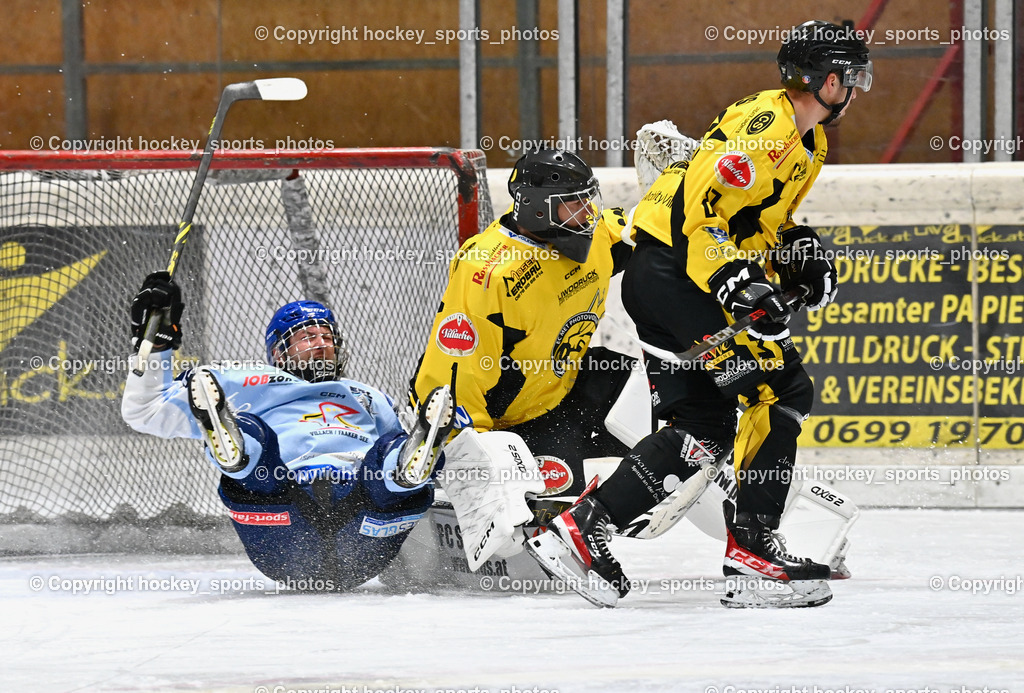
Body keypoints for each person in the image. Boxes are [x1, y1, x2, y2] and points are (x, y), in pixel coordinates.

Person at [527, 20, 871, 608]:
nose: (857, 89)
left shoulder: (806, 142)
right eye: (850, 77)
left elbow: (752, 222)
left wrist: (796, 253)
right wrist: (737, 285)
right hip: (676, 275)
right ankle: (754, 548)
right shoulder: (764, 127)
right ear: (822, 78)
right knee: (779, 387)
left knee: (702, 427)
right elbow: (701, 220)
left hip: (667, 277)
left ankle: (581, 529)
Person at [121, 272, 454, 591]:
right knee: (257, 437)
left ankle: (406, 470)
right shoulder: (247, 380)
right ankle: (237, 448)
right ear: (278, 352)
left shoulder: (370, 396)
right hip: (283, 519)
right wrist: (155, 341)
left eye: (327, 337)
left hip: (364, 529)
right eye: (308, 337)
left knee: (391, 454)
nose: (322, 345)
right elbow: (145, 410)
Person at [408, 148, 636, 520]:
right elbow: (454, 376)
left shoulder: (593, 236)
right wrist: (477, 462)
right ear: (538, 208)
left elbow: (644, 226)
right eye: (572, 204)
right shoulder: (487, 272)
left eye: (587, 199)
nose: (587, 213)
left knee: (667, 402)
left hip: (565, 386)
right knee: (549, 523)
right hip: (511, 422)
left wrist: (682, 180)